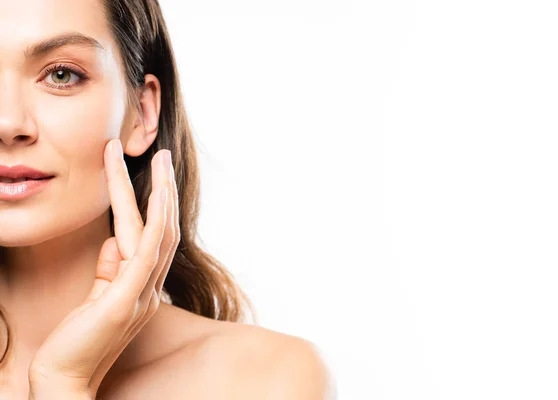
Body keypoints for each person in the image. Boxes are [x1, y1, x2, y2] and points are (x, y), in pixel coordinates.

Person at [0, 0, 333, 398]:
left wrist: (62, 383)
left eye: (61, 74)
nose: (8, 124)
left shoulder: (265, 379)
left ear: (141, 113)